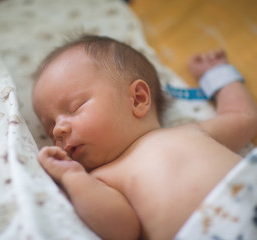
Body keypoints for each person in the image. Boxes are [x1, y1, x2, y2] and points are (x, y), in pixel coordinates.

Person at [32, 35, 257, 240]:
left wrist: (218, 76)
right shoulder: (101, 180)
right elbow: (122, 230)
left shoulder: (190, 131)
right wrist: (73, 177)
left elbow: (243, 118)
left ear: (138, 99)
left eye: (74, 108)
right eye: (50, 126)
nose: (57, 131)